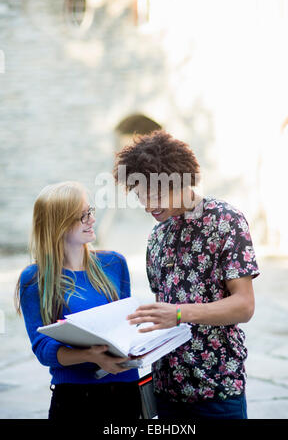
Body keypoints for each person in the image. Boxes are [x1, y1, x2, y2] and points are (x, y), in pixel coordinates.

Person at [113, 130, 260, 419]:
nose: (148, 206)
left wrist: (179, 313)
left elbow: (244, 306)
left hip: (217, 390)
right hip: (166, 392)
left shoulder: (225, 221)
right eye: (141, 197)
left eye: (155, 195)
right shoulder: (157, 236)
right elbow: (165, 313)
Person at [15, 181, 141, 422]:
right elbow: (43, 349)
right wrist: (92, 355)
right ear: (58, 225)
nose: (92, 220)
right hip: (76, 398)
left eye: (90, 211)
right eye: (82, 216)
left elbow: (127, 326)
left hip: (126, 393)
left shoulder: (114, 263)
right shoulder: (34, 279)